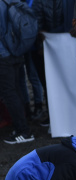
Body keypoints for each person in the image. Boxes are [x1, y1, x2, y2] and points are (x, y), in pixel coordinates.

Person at [31, 0, 76, 130]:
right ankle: (54, 117)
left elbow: (72, 21)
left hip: (65, 46)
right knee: (48, 84)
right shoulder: (39, 2)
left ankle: (67, 117)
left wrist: (52, 36)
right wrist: (43, 42)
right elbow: (36, 22)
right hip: (42, 49)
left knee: (67, 84)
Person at [0, 1, 35, 144]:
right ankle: (21, 125)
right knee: (16, 90)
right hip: (16, 51)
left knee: (10, 94)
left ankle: (23, 131)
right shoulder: (8, 1)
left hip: (3, 55)